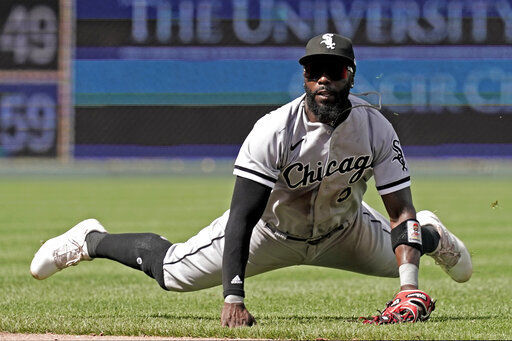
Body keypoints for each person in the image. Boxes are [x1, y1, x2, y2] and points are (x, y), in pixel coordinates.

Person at [30, 33, 472, 326]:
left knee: (409, 237)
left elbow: (400, 210)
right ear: (303, 75)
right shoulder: (274, 130)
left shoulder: (375, 128)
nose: (323, 77)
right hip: (270, 232)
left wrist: (409, 290)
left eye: (333, 69)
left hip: (348, 230)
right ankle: (89, 240)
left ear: (350, 74)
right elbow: (242, 215)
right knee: (173, 273)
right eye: (314, 68)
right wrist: (233, 298)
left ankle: (437, 238)